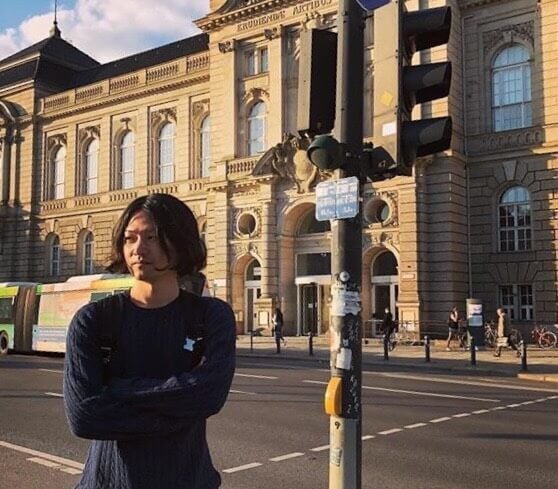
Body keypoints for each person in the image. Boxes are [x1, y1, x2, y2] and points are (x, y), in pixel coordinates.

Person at [63, 193, 236, 489]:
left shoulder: (211, 316)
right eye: (130, 238)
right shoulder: (93, 320)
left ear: (180, 243)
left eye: (152, 237)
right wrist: (180, 410)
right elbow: (84, 417)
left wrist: (118, 389)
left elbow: (209, 396)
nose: (138, 249)